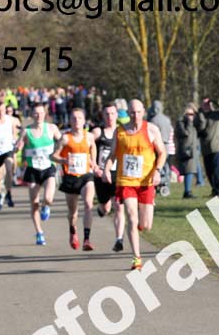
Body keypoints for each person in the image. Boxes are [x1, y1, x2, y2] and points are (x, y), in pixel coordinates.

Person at [104, 99, 167, 270]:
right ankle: (137, 258)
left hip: (146, 181)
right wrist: (106, 169)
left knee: (145, 225)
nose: (135, 115)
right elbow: (112, 155)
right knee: (131, 216)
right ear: (128, 113)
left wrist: (157, 171)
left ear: (144, 111)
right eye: (132, 112)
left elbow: (162, 152)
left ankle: (137, 228)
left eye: (138, 112)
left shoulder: (151, 129)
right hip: (126, 181)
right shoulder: (120, 132)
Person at [53, 108, 97, 250]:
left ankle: (87, 239)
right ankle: (73, 231)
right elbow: (53, 156)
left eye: (79, 118)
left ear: (84, 121)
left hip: (86, 176)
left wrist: (94, 162)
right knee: (73, 213)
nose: (77, 120)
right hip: (71, 178)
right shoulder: (65, 138)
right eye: (73, 118)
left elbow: (93, 147)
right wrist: (64, 161)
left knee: (89, 204)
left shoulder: (89, 136)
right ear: (70, 121)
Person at [18, 103, 61, 245]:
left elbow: (63, 142)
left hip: (49, 167)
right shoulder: (27, 131)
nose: (38, 116)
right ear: (32, 115)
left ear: (45, 113)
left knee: (48, 198)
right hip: (33, 169)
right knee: (34, 202)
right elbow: (19, 145)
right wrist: (17, 147)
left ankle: (46, 206)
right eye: (35, 113)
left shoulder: (51, 128)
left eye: (41, 113)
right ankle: (39, 233)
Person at [92, 103, 126, 251]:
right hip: (102, 174)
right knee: (105, 207)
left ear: (117, 115)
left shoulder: (122, 132)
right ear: (103, 116)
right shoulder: (98, 132)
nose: (110, 117)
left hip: (118, 174)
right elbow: (86, 145)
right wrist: (94, 166)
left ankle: (119, 239)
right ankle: (101, 209)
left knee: (119, 206)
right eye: (107, 114)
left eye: (112, 114)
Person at [0, 102, 20, 210]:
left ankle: (8, 194)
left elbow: (15, 133)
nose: (1, 112)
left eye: (3, 110)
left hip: (8, 149)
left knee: (9, 170)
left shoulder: (11, 120)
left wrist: (17, 144)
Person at [197, 97, 219, 198]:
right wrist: (200, 112)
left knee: (216, 170)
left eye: (208, 103)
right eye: (204, 104)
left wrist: (218, 101)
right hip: (206, 148)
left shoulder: (217, 114)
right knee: (209, 172)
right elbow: (200, 127)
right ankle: (214, 190)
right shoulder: (200, 115)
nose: (207, 105)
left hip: (217, 147)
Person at [175, 103, 201, 198]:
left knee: (190, 170)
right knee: (188, 171)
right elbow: (186, 133)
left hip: (193, 149)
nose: (191, 117)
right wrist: (189, 123)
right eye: (189, 114)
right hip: (186, 150)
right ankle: (187, 191)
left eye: (192, 114)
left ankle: (188, 190)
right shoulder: (181, 122)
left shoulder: (195, 123)